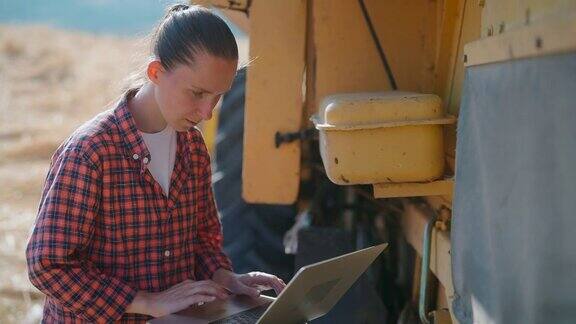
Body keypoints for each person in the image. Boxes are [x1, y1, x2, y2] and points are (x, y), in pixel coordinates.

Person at [25, 4, 285, 323]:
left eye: (217, 97)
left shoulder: (193, 147)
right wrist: (146, 302)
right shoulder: (91, 151)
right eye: (197, 93)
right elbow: (47, 266)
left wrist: (222, 277)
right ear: (156, 72)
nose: (208, 113)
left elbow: (203, 239)